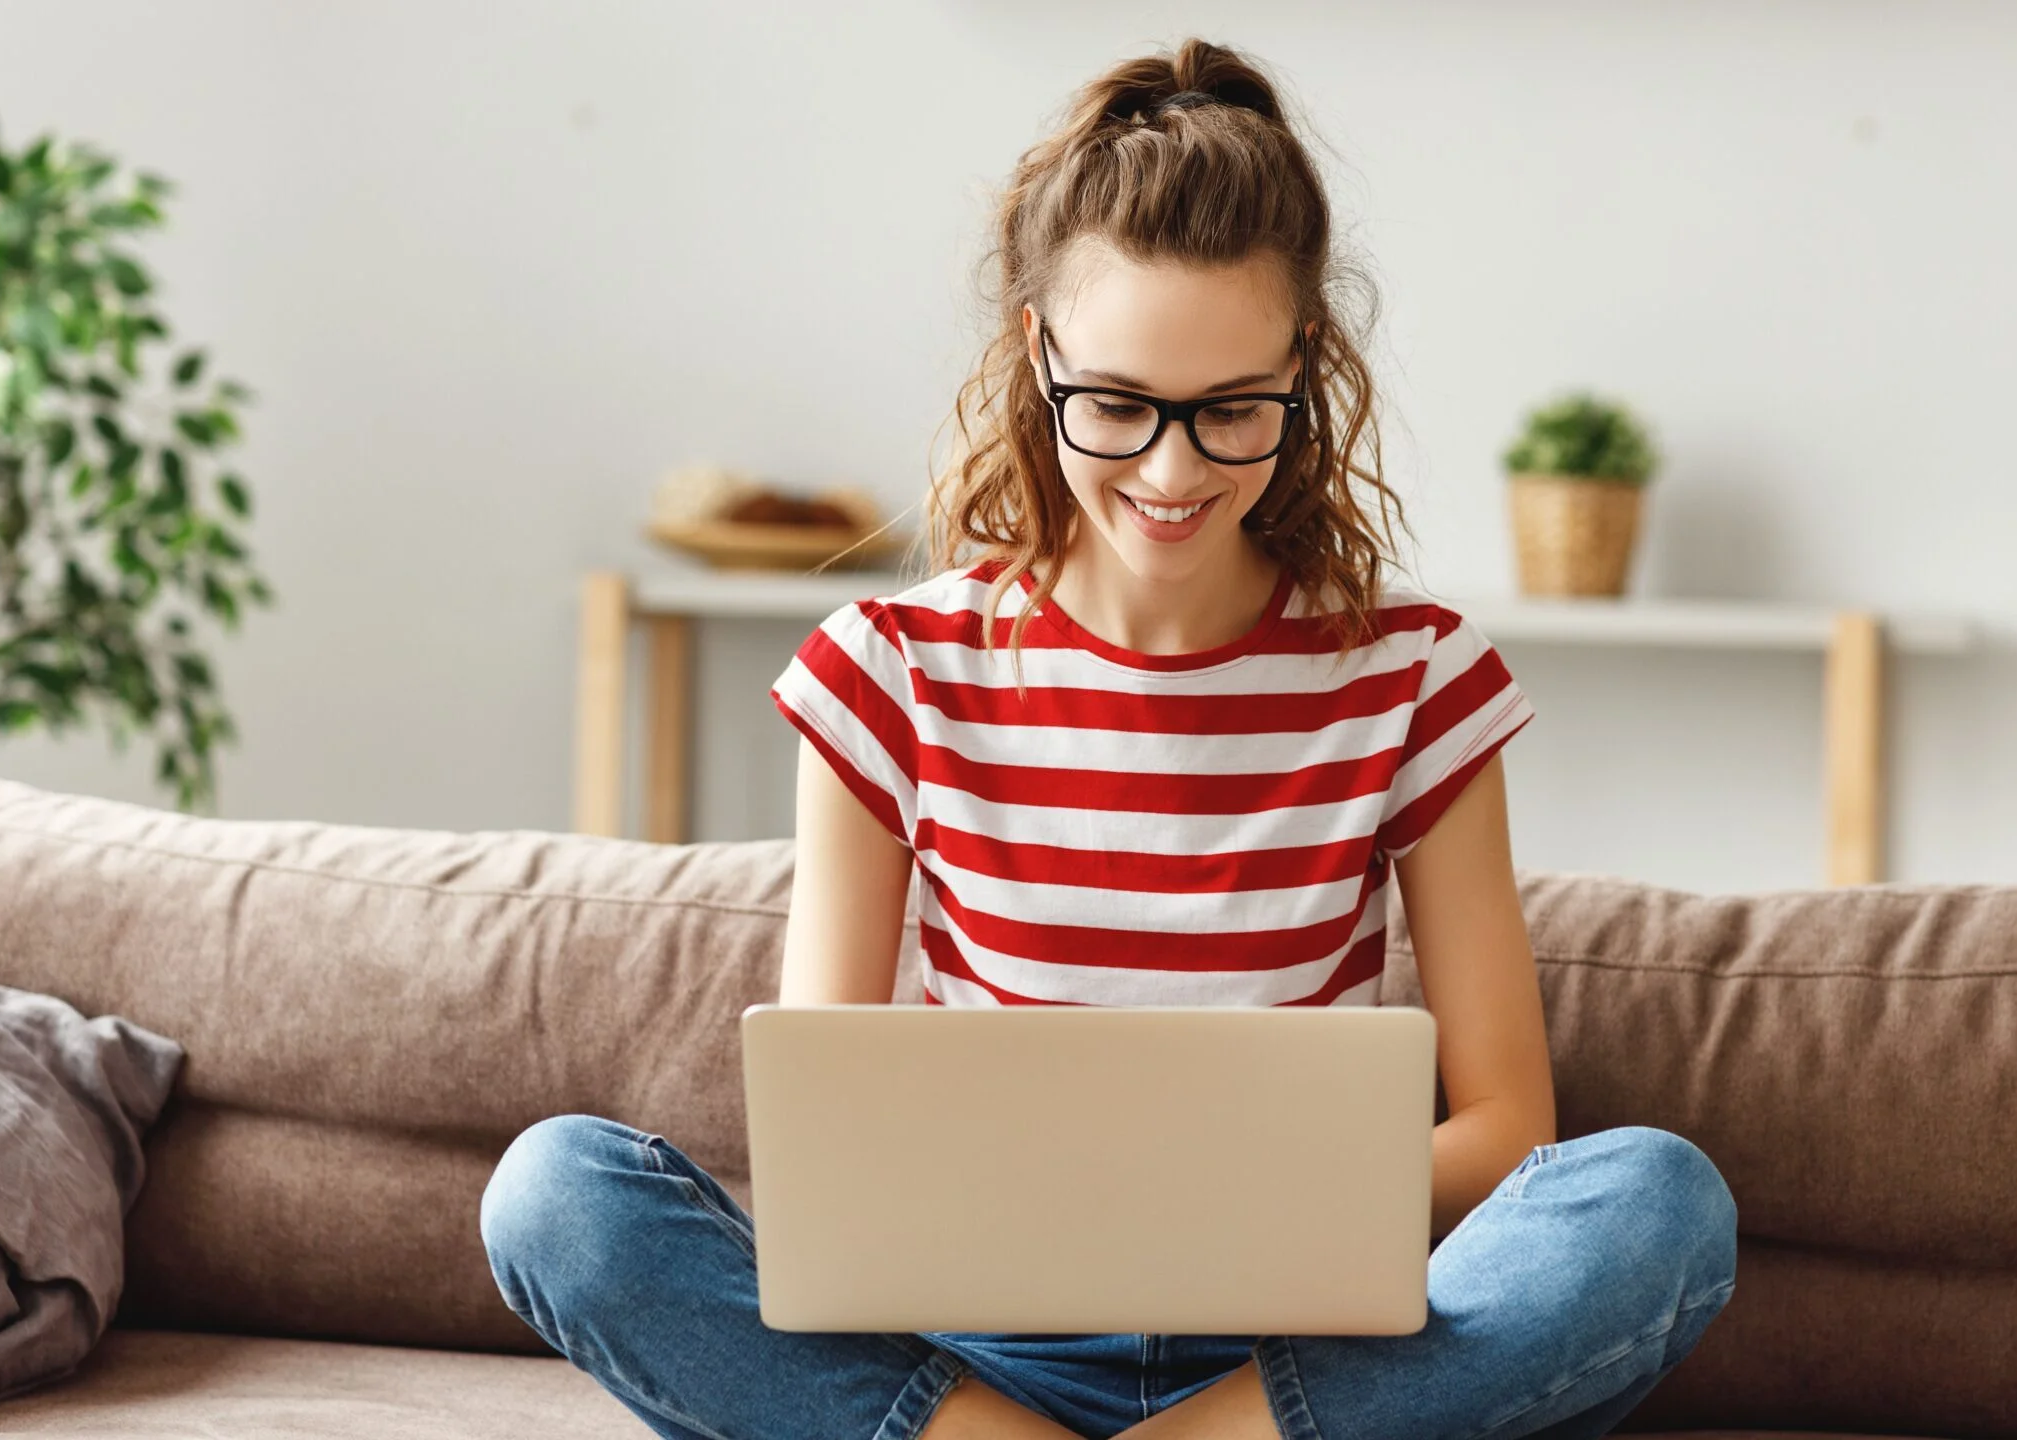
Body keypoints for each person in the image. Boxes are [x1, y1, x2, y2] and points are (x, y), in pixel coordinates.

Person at [481, 36, 1736, 1440]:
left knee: (1657, 1206)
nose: (1172, 470)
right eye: (1121, 405)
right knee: (557, 1197)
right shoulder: (886, 673)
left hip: (1294, 1364)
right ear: (1038, 353)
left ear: (1306, 367)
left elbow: (1511, 1130)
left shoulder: (1413, 675)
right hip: (977, 1356)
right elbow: (828, 1152)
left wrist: (1224, 1200)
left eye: (1233, 411)